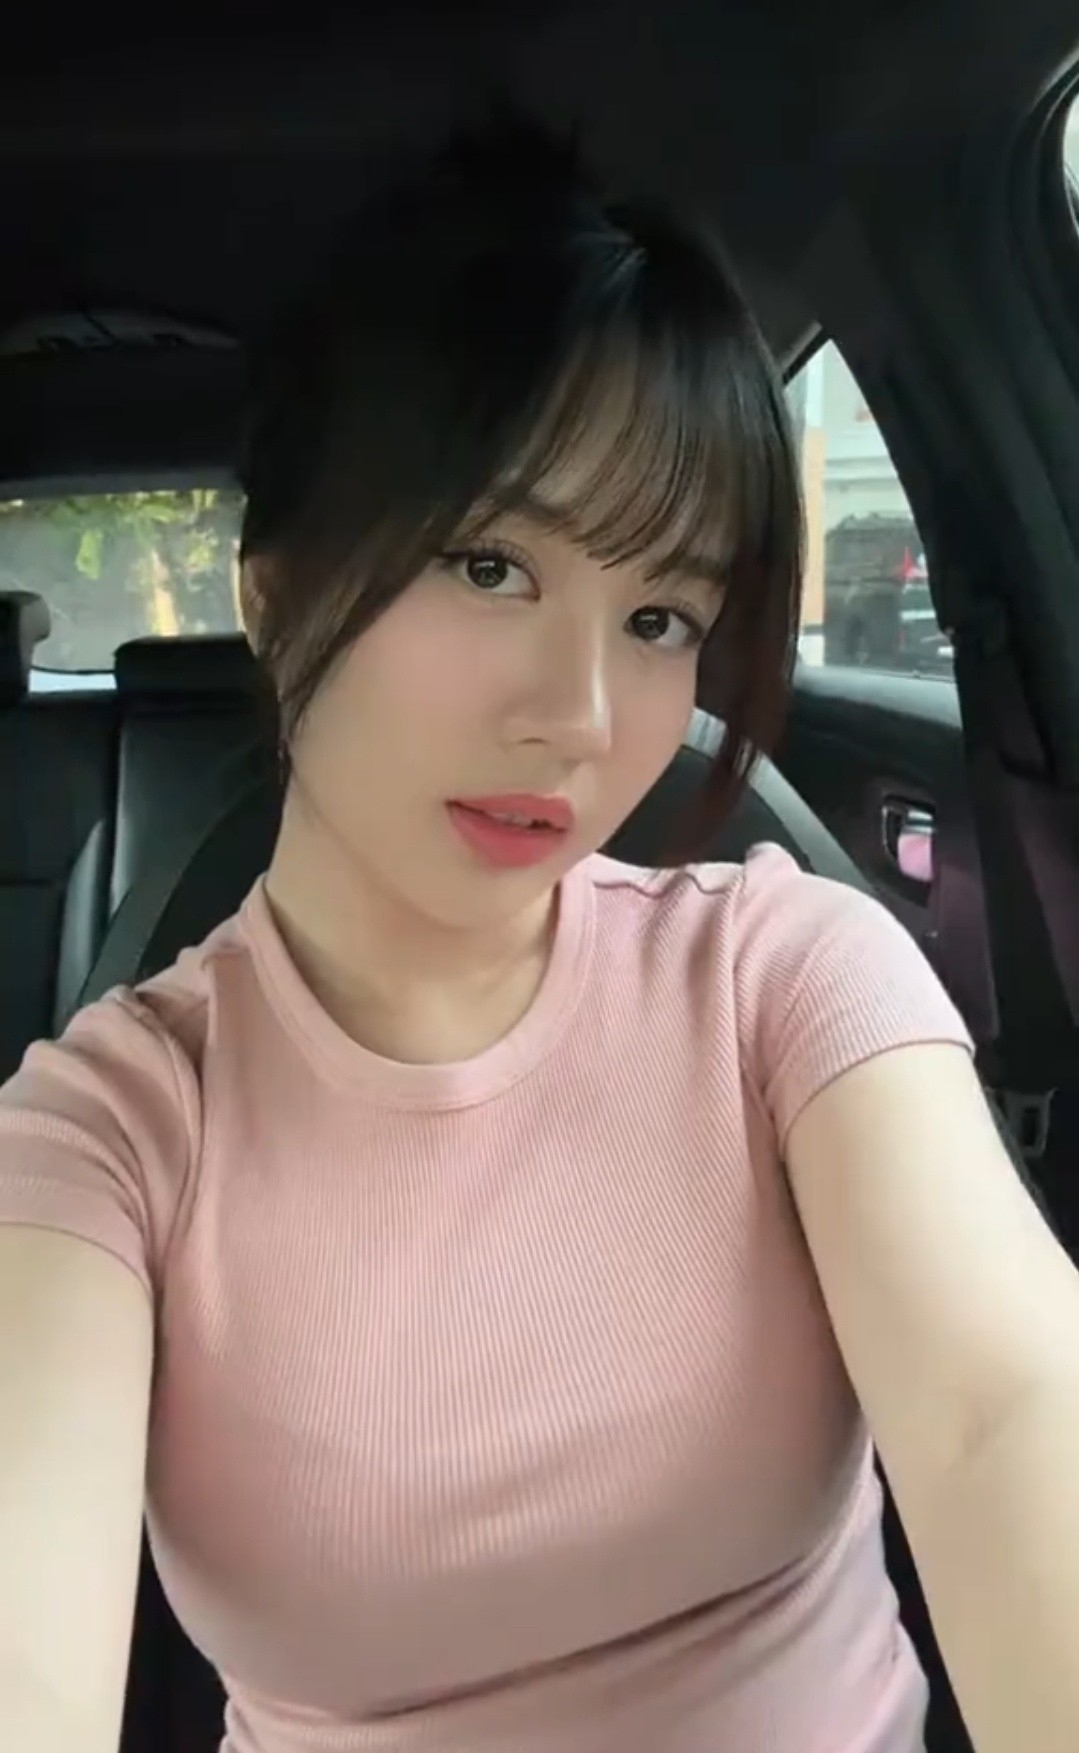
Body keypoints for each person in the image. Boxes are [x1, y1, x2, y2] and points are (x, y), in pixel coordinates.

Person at [1, 115, 1078, 1753]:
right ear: (273, 593)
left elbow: (1013, 1406)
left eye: (658, 616)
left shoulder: (784, 977)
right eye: (491, 563)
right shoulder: (110, 1135)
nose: (580, 714)